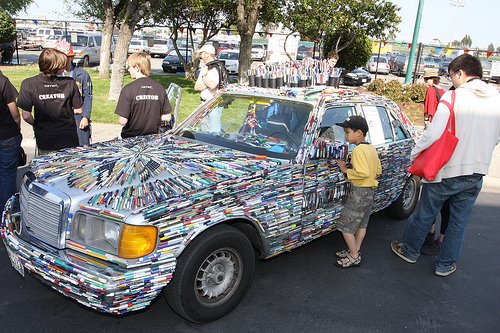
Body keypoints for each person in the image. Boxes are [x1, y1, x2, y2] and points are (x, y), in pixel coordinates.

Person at [391, 54, 500, 277]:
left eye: (452, 75)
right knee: (458, 222)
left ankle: (410, 251)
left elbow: (433, 133)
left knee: (425, 214)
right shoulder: (496, 100)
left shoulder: (453, 98)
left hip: (447, 170)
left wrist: (415, 152)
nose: (452, 81)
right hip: (476, 172)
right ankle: (445, 264)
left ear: (460, 73)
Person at [334, 115, 382, 268]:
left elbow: (363, 173)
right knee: (362, 225)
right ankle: (355, 249)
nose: (345, 135)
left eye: (347, 132)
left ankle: (354, 256)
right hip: (370, 191)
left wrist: (345, 169)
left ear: (359, 133)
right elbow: (378, 170)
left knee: (345, 226)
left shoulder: (358, 151)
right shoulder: (371, 148)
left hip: (359, 193)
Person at [18, 48, 83, 155]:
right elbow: (78, 109)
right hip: (67, 137)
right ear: (55, 66)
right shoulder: (70, 82)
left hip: (45, 137)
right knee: (67, 169)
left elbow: (26, 116)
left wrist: (37, 124)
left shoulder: (28, 84)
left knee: (47, 169)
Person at [421, 68, 448, 256]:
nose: (425, 82)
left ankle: (428, 236)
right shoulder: (444, 92)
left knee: (431, 201)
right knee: (448, 207)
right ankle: (442, 239)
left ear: (432, 79)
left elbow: (430, 113)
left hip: (435, 142)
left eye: (426, 79)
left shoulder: (431, 91)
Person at [115, 52, 172, 138]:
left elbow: (122, 121)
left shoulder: (128, 89)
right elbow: (167, 117)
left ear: (137, 68)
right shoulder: (160, 88)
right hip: (153, 139)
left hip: (131, 139)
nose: (128, 70)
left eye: (130, 67)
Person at [55, 40, 93, 146]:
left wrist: (85, 117)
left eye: (66, 57)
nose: (62, 61)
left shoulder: (82, 74)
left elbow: (88, 96)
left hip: (78, 117)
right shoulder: (53, 76)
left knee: (81, 146)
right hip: (60, 117)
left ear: (71, 58)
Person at [0, 70, 21, 211]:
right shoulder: (2, 81)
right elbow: (14, 113)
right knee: (7, 175)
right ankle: (6, 214)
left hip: (6, 134)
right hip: (7, 134)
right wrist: (17, 129)